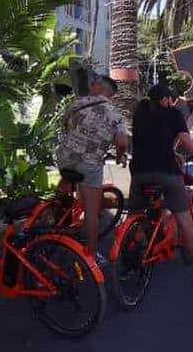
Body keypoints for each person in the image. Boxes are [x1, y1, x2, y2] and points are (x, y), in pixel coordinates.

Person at [129, 84, 193, 286]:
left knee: (135, 216)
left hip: (139, 173)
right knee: (185, 220)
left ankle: (129, 259)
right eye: (170, 99)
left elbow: (154, 141)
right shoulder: (173, 114)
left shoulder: (140, 114)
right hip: (166, 173)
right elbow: (190, 145)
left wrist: (173, 153)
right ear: (165, 99)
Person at [55, 75, 128, 266]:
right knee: (91, 212)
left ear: (98, 87)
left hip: (64, 158)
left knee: (67, 179)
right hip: (88, 163)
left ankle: (54, 212)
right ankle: (91, 255)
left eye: (93, 84)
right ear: (110, 94)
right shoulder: (112, 112)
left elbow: (65, 127)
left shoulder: (75, 104)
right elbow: (122, 141)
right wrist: (120, 155)